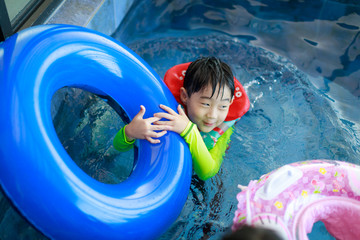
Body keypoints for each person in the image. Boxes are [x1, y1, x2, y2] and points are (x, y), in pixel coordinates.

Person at [113, 57, 249, 180]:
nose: (213, 115)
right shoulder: (166, 109)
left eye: (223, 106)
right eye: (206, 104)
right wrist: (129, 133)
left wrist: (189, 131)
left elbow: (208, 173)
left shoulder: (222, 130)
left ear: (230, 103)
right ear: (184, 96)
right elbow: (117, 148)